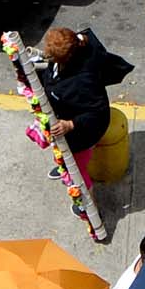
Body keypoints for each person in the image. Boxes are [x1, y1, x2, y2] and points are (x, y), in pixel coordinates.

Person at [40, 27, 132, 195]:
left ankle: (89, 203)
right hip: (64, 115)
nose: (46, 55)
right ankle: (65, 166)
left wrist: (70, 124)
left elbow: (96, 112)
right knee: (63, 153)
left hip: (83, 130)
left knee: (78, 170)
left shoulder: (83, 79)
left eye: (51, 55)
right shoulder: (75, 45)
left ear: (66, 58)